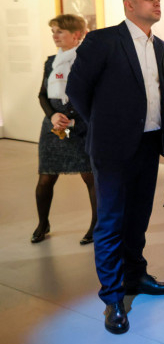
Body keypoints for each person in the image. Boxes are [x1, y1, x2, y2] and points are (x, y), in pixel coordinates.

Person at [66, 0, 164, 336]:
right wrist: (102, 125)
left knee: (138, 218)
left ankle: (135, 276)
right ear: (129, 5)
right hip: (112, 147)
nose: (156, 3)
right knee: (111, 221)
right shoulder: (103, 40)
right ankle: (112, 298)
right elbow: (76, 89)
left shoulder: (161, 46)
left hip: (148, 144)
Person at [32, 14, 97, 245]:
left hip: (80, 124)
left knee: (90, 177)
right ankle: (43, 223)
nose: (55, 36)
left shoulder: (87, 60)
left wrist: (69, 116)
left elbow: (92, 94)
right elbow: (42, 94)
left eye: (60, 31)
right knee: (45, 178)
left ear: (76, 34)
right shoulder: (51, 61)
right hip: (53, 124)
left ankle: (96, 225)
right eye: (53, 31)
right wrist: (53, 116)